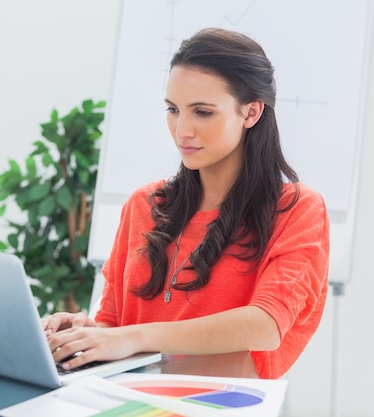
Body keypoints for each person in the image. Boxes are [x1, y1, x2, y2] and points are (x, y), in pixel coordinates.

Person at [43, 27, 329, 379]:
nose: (182, 130)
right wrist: (84, 336)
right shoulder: (142, 205)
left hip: (216, 404)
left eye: (202, 112)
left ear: (251, 112)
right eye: (173, 109)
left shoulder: (297, 210)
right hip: (121, 400)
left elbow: (266, 325)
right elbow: (113, 323)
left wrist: (133, 337)